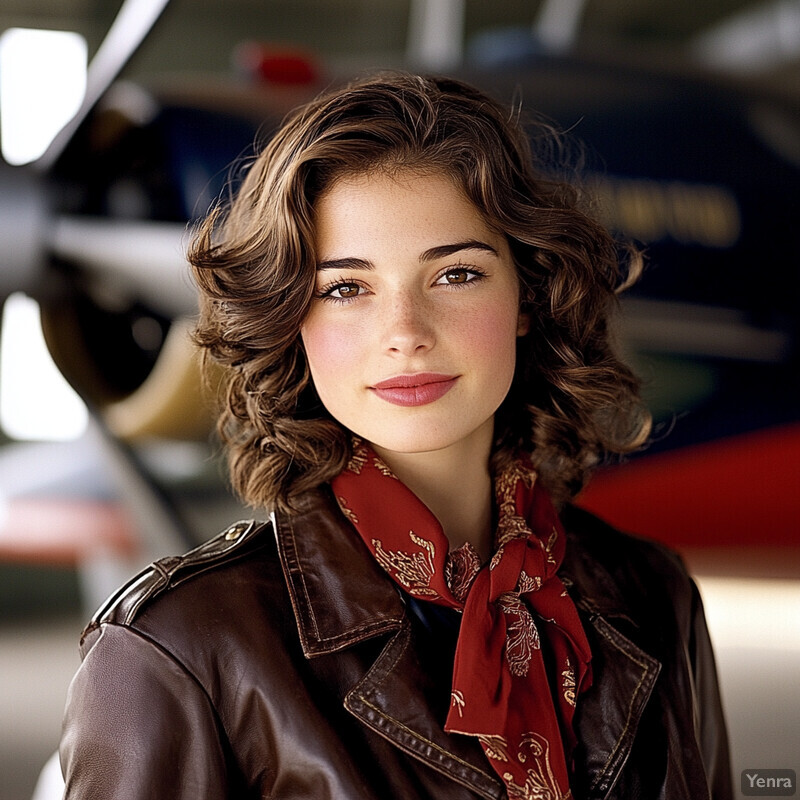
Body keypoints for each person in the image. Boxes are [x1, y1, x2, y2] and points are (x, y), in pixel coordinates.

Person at [60, 73, 732, 800]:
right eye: (346, 288)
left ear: (526, 299)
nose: (406, 335)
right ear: (292, 319)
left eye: (457, 274)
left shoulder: (656, 596)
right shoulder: (174, 649)